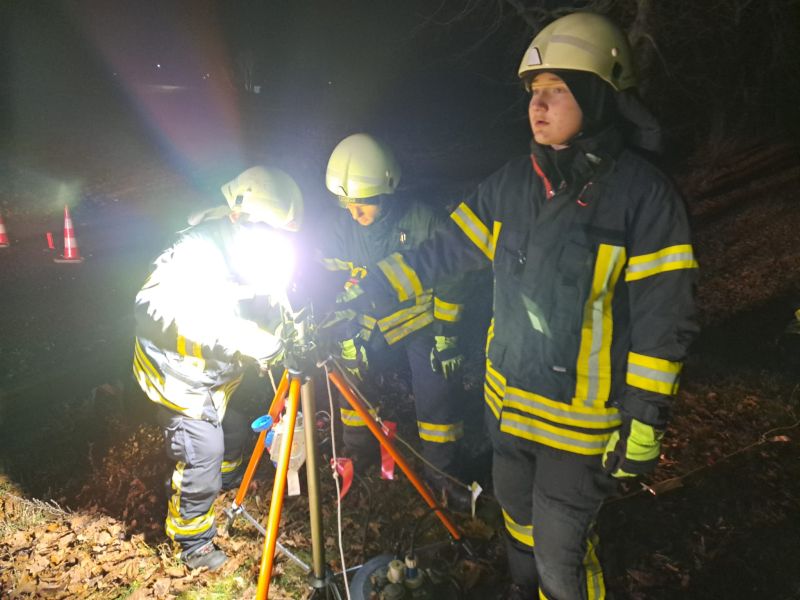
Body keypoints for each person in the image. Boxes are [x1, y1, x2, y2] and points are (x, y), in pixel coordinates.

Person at [338, 13, 699, 599]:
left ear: (600, 96)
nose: (540, 104)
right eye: (535, 91)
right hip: (509, 408)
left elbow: (666, 316)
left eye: (558, 90)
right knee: (517, 524)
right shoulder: (511, 185)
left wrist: (646, 415)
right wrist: (369, 289)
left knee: (563, 556)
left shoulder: (644, 197)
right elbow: (443, 252)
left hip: (580, 428)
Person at [132, 166, 304, 571]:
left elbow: (272, 297)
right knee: (204, 451)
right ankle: (191, 542)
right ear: (237, 218)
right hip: (178, 379)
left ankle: (223, 484)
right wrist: (237, 335)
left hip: (216, 377)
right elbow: (148, 307)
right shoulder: (194, 253)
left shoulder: (259, 247)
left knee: (235, 428)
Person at [320, 133, 475, 512]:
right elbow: (331, 286)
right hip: (367, 326)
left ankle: (444, 474)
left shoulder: (423, 221)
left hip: (420, 325)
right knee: (349, 380)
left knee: (436, 393)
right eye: (347, 204)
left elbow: (453, 279)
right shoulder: (341, 229)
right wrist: (345, 334)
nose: (353, 214)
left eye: (362, 206)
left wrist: (447, 336)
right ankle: (357, 453)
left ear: (386, 193)